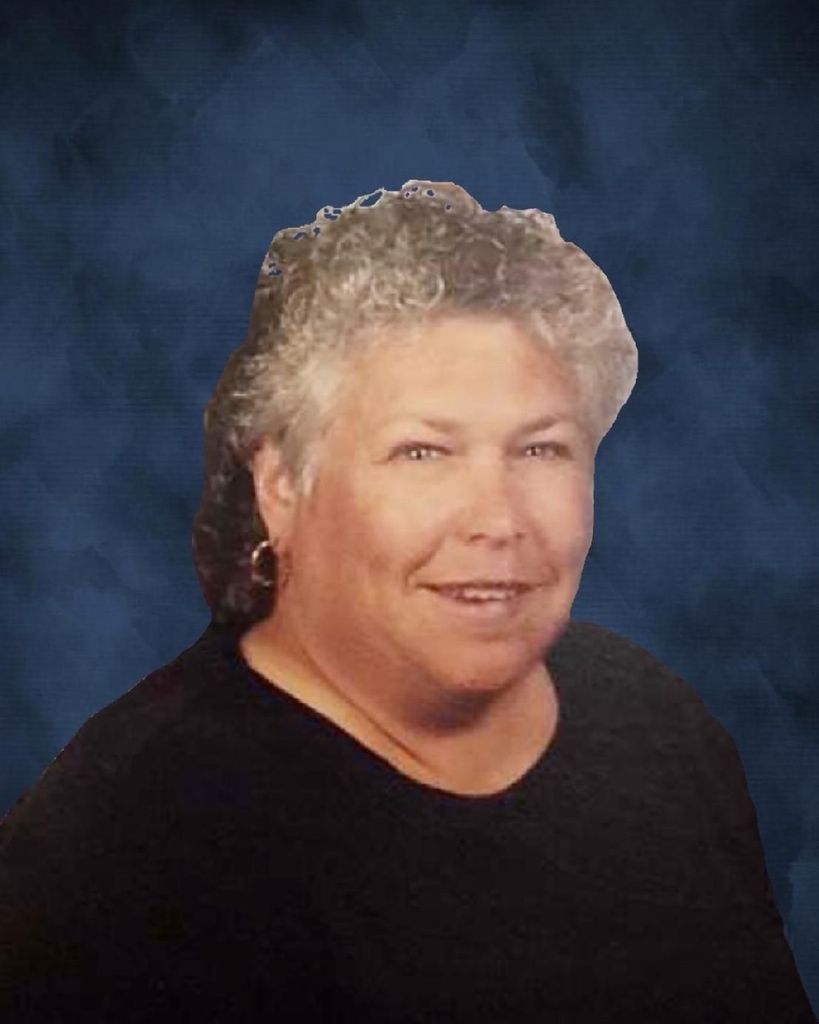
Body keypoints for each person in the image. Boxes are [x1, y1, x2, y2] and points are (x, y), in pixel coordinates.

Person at [1, 180, 813, 1022]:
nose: (497, 519)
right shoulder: (118, 852)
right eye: (422, 452)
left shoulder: (650, 722)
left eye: (540, 449)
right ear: (281, 485)